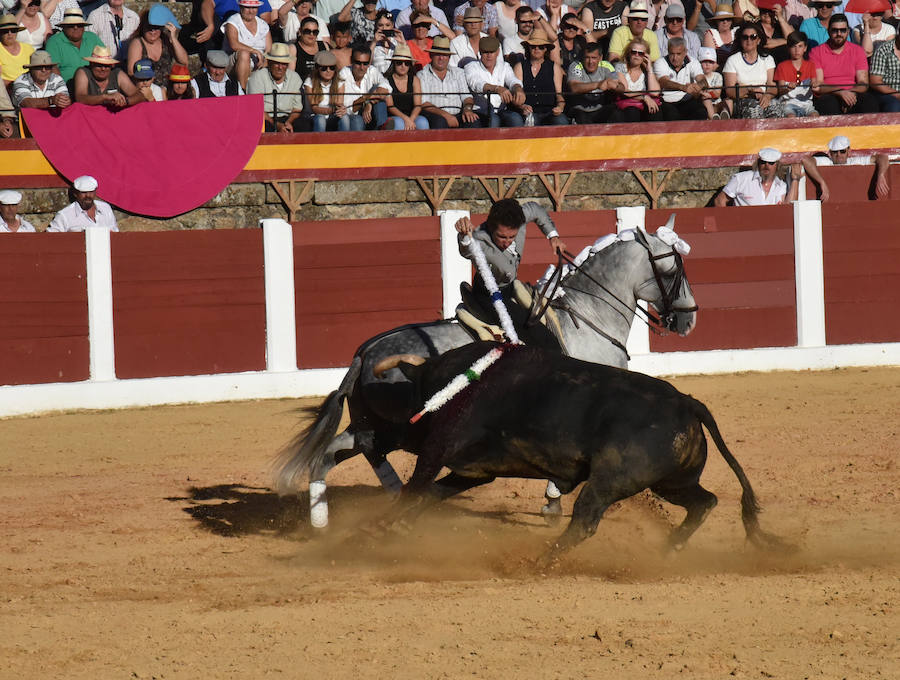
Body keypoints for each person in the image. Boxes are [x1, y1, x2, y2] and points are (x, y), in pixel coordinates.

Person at [454, 197, 566, 348]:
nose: (507, 242)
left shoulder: (520, 218)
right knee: (546, 340)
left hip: (511, 287)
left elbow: (535, 209)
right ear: (491, 228)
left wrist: (553, 236)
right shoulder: (480, 237)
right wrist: (463, 235)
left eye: (512, 237)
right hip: (489, 296)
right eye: (501, 237)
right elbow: (467, 250)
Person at [810, 13, 877, 115]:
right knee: (828, 105)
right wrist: (841, 92)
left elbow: (863, 83)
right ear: (828, 31)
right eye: (835, 30)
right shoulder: (816, 52)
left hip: (853, 93)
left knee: (869, 102)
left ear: (848, 31)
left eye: (843, 30)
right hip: (829, 94)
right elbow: (818, 85)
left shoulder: (858, 51)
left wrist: (850, 94)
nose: (839, 34)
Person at [800, 135, 890, 201]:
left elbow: (882, 157)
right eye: (835, 152)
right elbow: (805, 160)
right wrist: (822, 182)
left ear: (848, 151)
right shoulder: (827, 162)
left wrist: (881, 175)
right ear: (830, 154)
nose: (838, 155)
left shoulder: (855, 161)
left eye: (842, 151)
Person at [417, 34, 480, 127]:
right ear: (431, 55)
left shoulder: (459, 73)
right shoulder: (422, 75)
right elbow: (424, 102)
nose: (441, 58)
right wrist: (446, 115)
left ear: (449, 57)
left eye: (445, 55)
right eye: (438, 54)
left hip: (458, 113)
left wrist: (467, 109)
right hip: (436, 115)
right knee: (440, 122)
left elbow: (466, 96)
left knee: (473, 120)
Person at [465, 35, 526, 126]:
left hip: (501, 110)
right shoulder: (471, 66)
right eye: (486, 52)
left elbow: (512, 79)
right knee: (493, 120)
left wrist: (518, 88)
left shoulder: (504, 66)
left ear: (497, 52)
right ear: (480, 52)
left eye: (492, 52)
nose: (489, 56)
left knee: (516, 119)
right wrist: (497, 88)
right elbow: (476, 84)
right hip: (480, 111)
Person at [723, 22, 781, 118]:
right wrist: (749, 90)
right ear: (740, 40)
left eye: (753, 36)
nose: (749, 40)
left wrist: (767, 96)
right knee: (754, 109)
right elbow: (730, 91)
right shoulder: (732, 60)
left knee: (776, 109)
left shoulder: (767, 59)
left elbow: (772, 85)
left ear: (758, 40)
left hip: (764, 98)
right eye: (745, 37)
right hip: (743, 100)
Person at [514, 28, 568, 124]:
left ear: (546, 49)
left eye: (541, 47)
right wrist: (522, 107)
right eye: (533, 46)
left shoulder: (554, 67)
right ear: (528, 47)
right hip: (528, 112)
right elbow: (516, 94)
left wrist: (560, 107)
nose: (537, 49)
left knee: (561, 121)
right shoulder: (519, 67)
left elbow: (559, 95)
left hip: (550, 112)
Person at [714, 147, 800, 206]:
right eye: (763, 162)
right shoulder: (741, 179)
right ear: (758, 163)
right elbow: (719, 201)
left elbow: (789, 208)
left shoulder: (781, 186)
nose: (766, 166)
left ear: (777, 166)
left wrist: (795, 180)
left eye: (771, 163)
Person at [248, 42, 304, 130]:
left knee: (304, 124)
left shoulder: (295, 78)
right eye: (277, 63)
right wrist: (277, 125)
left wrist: (288, 123)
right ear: (269, 63)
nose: (280, 67)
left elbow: (297, 108)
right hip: (266, 118)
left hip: (288, 117)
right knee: (261, 125)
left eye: (284, 64)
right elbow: (255, 109)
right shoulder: (257, 77)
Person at [44, 8, 103, 82]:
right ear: (64, 27)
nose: (75, 27)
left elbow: (105, 60)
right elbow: (53, 69)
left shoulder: (92, 38)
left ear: (83, 27)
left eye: (79, 25)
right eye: (71, 25)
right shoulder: (54, 42)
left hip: (94, 85)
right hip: (67, 87)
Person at [221, 0, 271, 89]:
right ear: (241, 7)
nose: (251, 11)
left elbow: (269, 49)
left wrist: (265, 61)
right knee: (244, 53)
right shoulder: (233, 21)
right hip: (234, 61)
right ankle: (242, 91)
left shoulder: (263, 25)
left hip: (258, 64)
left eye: (254, 8)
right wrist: (254, 51)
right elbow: (234, 44)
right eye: (247, 7)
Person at [653, 36, 706, 119]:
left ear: (685, 52)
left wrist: (699, 86)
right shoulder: (660, 62)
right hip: (666, 101)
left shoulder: (693, 62)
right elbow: (664, 82)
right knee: (672, 115)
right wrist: (683, 87)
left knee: (701, 112)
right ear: (668, 51)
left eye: (678, 54)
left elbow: (703, 80)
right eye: (672, 54)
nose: (675, 58)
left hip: (687, 100)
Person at [565, 40, 619, 123]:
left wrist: (614, 86)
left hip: (600, 109)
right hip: (579, 110)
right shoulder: (576, 65)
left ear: (600, 58)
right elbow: (574, 87)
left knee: (615, 112)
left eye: (594, 58)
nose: (590, 62)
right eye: (587, 57)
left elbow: (620, 86)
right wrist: (598, 84)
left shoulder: (607, 66)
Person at [73, 44, 142, 107]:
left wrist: (125, 101)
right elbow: (80, 98)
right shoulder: (83, 72)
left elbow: (139, 95)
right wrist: (105, 97)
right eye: (99, 65)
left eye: (106, 66)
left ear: (111, 66)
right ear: (91, 64)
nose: (103, 69)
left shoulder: (117, 74)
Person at [339, 45, 389, 130]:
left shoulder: (372, 70)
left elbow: (386, 88)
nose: (362, 68)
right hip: (351, 117)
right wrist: (366, 99)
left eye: (365, 64)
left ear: (369, 63)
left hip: (370, 116)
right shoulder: (344, 73)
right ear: (351, 60)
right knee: (357, 120)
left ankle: (382, 130)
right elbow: (350, 109)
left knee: (380, 104)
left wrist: (369, 103)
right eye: (358, 63)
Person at [612, 36, 663, 121]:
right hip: (627, 106)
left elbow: (655, 93)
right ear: (629, 53)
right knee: (632, 112)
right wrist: (644, 97)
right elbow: (625, 92)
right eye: (634, 52)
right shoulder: (620, 67)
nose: (636, 55)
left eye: (641, 53)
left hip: (644, 105)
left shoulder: (647, 70)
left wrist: (650, 69)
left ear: (645, 56)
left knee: (655, 110)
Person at [48, 175, 119, 232]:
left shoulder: (105, 208)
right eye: (83, 192)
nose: (88, 196)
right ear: (75, 194)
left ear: (95, 192)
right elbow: (50, 238)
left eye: (91, 192)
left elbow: (115, 233)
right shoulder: (65, 215)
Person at [384, 43, 429, 128]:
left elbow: (418, 105)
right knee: (399, 123)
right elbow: (390, 106)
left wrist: (411, 119)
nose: (403, 66)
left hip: (412, 115)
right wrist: (406, 119)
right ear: (393, 63)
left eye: (407, 63)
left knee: (423, 122)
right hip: (393, 116)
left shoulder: (415, 80)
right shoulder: (386, 80)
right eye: (399, 62)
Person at [304, 49, 350, 131]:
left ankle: (345, 143)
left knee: (345, 117)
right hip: (314, 117)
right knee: (320, 119)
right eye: (324, 68)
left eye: (332, 68)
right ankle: (319, 143)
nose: (328, 71)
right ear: (317, 68)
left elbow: (339, 103)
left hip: (332, 115)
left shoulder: (339, 82)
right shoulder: (309, 82)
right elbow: (314, 108)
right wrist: (331, 110)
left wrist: (341, 109)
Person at [774, 30, 818, 117]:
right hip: (787, 104)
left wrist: (814, 85)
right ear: (788, 48)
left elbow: (815, 85)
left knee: (815, 116)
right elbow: (780, 91)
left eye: (800, 46)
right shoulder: (782, 66)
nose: (797, 50)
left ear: (805, 48)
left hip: (806, 104)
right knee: (791, 117)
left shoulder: (811, 65)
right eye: (794, 46)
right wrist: (787, 89)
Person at [869, 31, 900, 113]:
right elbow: (875, 81)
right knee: (894, 105)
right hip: (887, 93)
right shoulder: (883, 49)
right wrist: (896, 94)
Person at [0, 13, 33, 86]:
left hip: (30, 86)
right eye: (5, 31)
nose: (10, 33)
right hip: (6, 90)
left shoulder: (28, 48)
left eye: (13, 30)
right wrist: (19, 85)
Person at [697, 45, 727, 119]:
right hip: (704, 105)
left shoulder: (718, 76)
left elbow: (717, 94)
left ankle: (726, 117)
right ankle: (713, 119)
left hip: (717, 103)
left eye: (710, 62)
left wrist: (706, 93)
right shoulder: (697, 76)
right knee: (706, 99)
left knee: (728, 101)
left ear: (714, 64)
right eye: (704, 62)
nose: (707, 64)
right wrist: (708, 94)